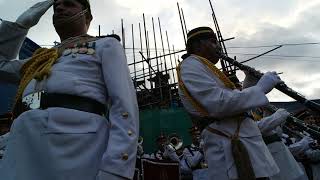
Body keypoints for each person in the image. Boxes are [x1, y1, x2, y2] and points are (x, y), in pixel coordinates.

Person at [0, 0, 139, 180]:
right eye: (56, 5)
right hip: (24, 141)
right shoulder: (41, 57)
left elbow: (123, 106)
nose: (59, 8)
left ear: (87, 16)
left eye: (69, 4)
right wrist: (22, 24)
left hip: (77, 144)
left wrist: (116, 170)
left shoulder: (105, 45)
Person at [177, 26, 282, 180]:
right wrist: (259, 89)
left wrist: (249, 85)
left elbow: (231, 101)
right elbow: (218, 104)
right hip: (230, 148)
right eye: (213, 42)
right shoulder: (191, 64)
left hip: (244, 145)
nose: (218, 46)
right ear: (198, 45)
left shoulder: (204, 67)